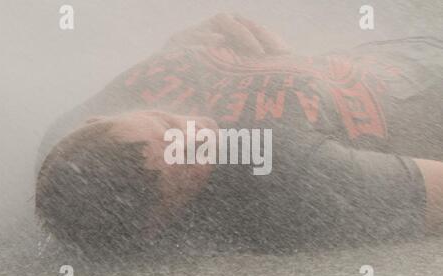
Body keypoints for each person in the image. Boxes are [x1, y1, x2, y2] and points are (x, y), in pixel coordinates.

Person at [35, 14, 443, 260]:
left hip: (397, 50)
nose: (202, 134)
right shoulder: (286, 177)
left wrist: (176, 46)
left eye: (170, 124)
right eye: (190, 161)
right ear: (162, 222)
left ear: (98, 119)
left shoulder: (72, 145)